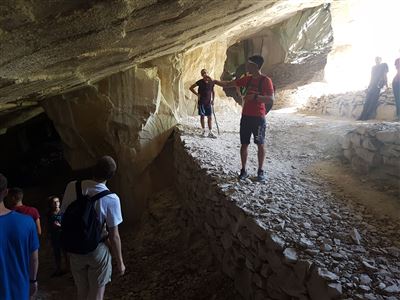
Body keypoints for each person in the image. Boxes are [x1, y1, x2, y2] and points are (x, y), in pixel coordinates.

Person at [61, 156, 125, 300]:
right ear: (111, 175)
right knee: (96, 295)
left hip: (75, 248)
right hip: (97, 249)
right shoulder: (112, 199)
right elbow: (114, 235)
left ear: (93, 169)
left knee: (82, 292)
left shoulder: (72, 186)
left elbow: (63, 215)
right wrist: (119, 262)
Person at [214, 55, 274, 182]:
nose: (247, 66)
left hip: (258, 118)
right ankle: (243, 170)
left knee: (260, 144)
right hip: (246, 117)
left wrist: (255, 97)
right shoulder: (248, 79)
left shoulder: (266, 80)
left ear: (256, 66)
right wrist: (214, 82)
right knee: (244, 144)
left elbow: (270, 99)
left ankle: (260, 171)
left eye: (249, 64)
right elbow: (229, 84)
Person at [0, 173, 40, 300]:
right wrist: (33, 281)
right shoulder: (27, 222)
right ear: (6, 192)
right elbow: (34, 259)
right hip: (20, 290)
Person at [189, 69, 217, 138]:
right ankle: (204, 131)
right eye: (203, 73)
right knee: (202, 116)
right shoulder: (200, 82)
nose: (204, 74)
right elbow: (191, 87)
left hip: (208, 103)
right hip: (201, 102)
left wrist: (213, 100)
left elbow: (213, 92)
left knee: (209, 117)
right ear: (201, 75)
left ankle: (210, 131)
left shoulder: (211, 82)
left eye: (205, 72)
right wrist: (197, 94)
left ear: (207, 73)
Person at [47, 195, 67, 277]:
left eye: (57, 201)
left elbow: (68, 224)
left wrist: (60, 226)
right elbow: (48, 225)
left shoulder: (63, 212)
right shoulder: (49, 214)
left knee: (66, 253)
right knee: (56, 253)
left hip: (63, 236)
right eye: (54, 202)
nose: (56, 203)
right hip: (54, 237)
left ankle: (68, 269)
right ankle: (58, 269)